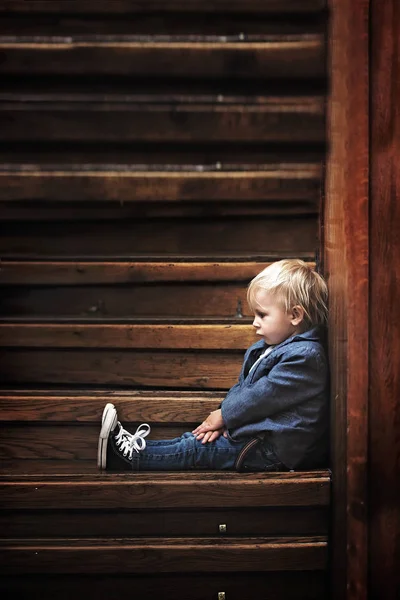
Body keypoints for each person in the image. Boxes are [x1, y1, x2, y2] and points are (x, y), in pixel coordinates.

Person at [98, 259, 329, 472]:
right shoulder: (268, 348)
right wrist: (225, 420)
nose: (254, 322)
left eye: (262, 314)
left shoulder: (305, 357)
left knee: (199, 449)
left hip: (272, 451)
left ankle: (131, 458)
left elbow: (262, 397)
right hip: (255, 437)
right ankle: (137, 450)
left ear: (295, 315)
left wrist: (225, 417)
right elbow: (243, 390)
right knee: (195, 440)